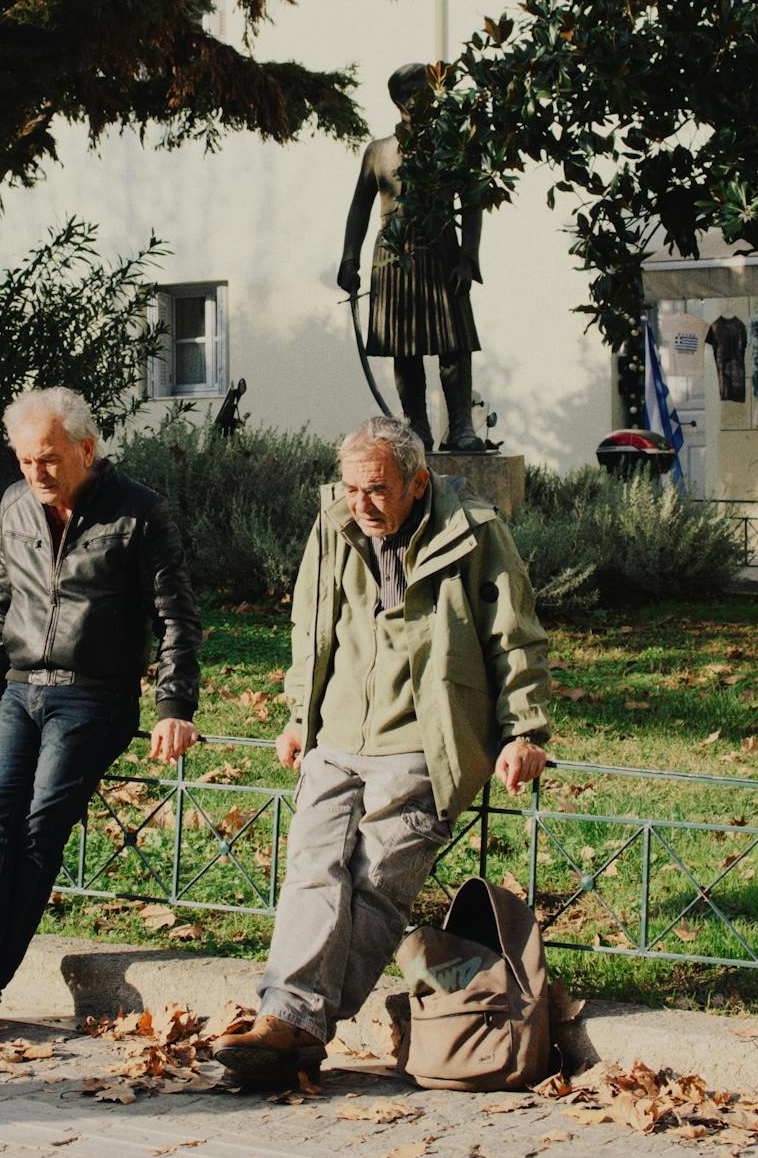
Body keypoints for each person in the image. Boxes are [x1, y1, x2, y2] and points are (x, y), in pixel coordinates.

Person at [211, 415, 551, 1084]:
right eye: (350, 488)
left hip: (422, 741)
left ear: (418, 483)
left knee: (375, 886)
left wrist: (524, 731)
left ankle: (294, 1027)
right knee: (313, 870)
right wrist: (299, 715)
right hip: (337, 735)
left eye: (376, 490)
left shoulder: (474, 530)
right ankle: (290, 1023)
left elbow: (514, 635)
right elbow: (311, 624)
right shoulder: (334, 524)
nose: (360, 504)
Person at [0, 386, 203, 1039]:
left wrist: (174, 705)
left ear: (86, 450)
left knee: (40, 824)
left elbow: (176, 617)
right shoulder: (15, 505)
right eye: (24, 460)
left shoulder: (140, 512)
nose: (35, 473)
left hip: (95, 695)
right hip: (19, 689)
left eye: (48, 459)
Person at [338, 64, 490, 453]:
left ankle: (461, 427)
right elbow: (359, 207)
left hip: (442, 250)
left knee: (454, 345)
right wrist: (349, 259)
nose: (413, 98)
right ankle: (417, 427)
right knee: (405, 348)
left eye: (420, 90)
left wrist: (468, 258)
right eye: (406, 92)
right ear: (396, 99)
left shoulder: (453, 144)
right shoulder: (378, 152)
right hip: (393, 256)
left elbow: (473, 202)